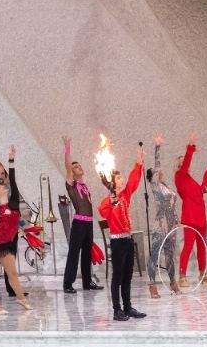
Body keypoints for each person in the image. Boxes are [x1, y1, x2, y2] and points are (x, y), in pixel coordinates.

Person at [98, 145, 147, 321]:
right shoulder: (107, 201)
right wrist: (111, 202)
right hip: (117, 242)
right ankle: (116, 309)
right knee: (117, 276)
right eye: (119, 177)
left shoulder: (125, 195)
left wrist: (139, 161)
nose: (122, 179)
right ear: (112, 182)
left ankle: (128, 307)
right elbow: (102, 212)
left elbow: (134, 180)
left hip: (128, 240)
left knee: (128, 276)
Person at [0, 165, 32, 314]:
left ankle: (21, 299)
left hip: (6, 245)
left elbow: (13, 182)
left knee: (13, 274)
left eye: (3, 186)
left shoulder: (14, 203)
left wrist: (11, 162)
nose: (2, 187)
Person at [61, 136, 103, 294]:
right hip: (79, 223)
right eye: (76, 167)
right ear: (72, 172)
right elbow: (67, 167)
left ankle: (87, 282)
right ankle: (67, 284)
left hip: (89, 223)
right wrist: (67, 148)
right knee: (74, 253)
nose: (79, 167)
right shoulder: (72, 184)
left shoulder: (83, 185)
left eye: (79, 166)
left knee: (87, 252)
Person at [176, 131, 207, 287]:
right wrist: (190, 147)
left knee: (202, 246)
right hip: (190, 217)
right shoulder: (180, 176)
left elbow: (198, 192)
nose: (186, 163)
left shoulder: (191, 180)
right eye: (183, 162)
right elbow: (186, 164)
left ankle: (203, 274)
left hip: (200, 217)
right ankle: (182, 276)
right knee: (188, 246)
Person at [146, 135, 181, 298]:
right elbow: (157, 164)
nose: (160, 171)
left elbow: (172, 204)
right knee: (155, 255)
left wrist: (176, 220)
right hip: (161, 226)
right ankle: (152, 285)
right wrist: (157, 147)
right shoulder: (155, 186)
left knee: (170, 256)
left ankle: (173, 282)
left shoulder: (165, 186)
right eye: (156, 172)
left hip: (172, 225)